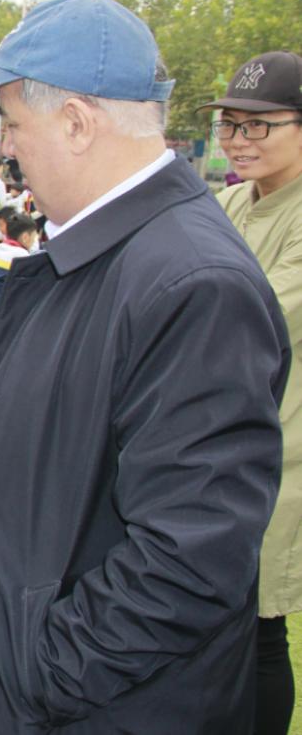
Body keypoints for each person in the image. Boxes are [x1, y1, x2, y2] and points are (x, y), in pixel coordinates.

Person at [0, 0, 289, 734]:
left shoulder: (191, 282)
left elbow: (188, 558)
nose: (5, 146)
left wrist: (33, 675)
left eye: (11, 121)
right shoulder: (101, 254)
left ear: (75, 123)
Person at [202, 50, 302, 735]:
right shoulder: (231, 198)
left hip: (282, 451)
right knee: (209, 621)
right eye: (230, 125)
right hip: (212, 443)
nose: (238, 140)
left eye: (258, 126)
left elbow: (255, 312)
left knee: (262, 625)